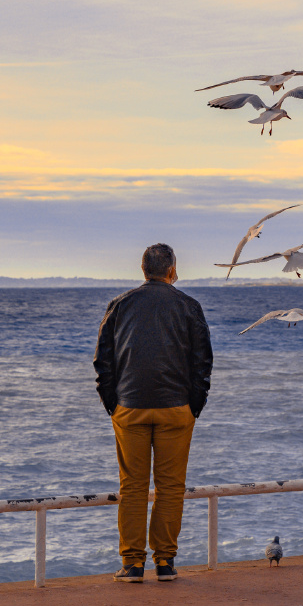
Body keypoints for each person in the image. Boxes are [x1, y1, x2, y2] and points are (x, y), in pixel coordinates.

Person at [93, 243, 213, 583]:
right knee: (171, 487)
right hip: (176, 409)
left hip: (129, 408)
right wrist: (194, 405)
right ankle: (165, 563)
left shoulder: (119, 305)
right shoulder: (189, 306)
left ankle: (132, 565)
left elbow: (103, 361)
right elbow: (203, 361)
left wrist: (113, 405)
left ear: (143, 270)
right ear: (172, 269)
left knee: (132, 487)